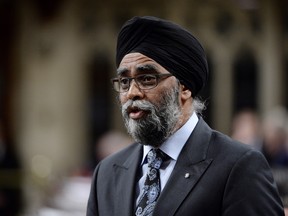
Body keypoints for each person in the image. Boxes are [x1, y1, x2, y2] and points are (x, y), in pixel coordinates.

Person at [87, 16, 284, 216]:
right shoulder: (107, 172)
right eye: (124, 81)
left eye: (146, 78)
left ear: (185, 87)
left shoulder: (239, 167)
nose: (131, 93)